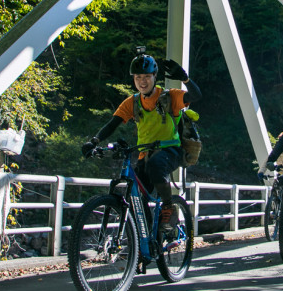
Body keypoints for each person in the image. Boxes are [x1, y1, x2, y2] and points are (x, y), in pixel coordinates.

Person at [81, 50, 202, 232]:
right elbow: (112, 124)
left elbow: (196, 95)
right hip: (144, 154)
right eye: (137, 77)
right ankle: (146, 241)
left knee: (155, 165)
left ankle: (169, 207)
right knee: (136, 197)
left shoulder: (170, 97)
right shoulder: (132, 102)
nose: (142, 81)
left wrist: (185, 79)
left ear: (155, 76)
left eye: (146, 76)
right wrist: (94, 141)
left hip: (171, 150)